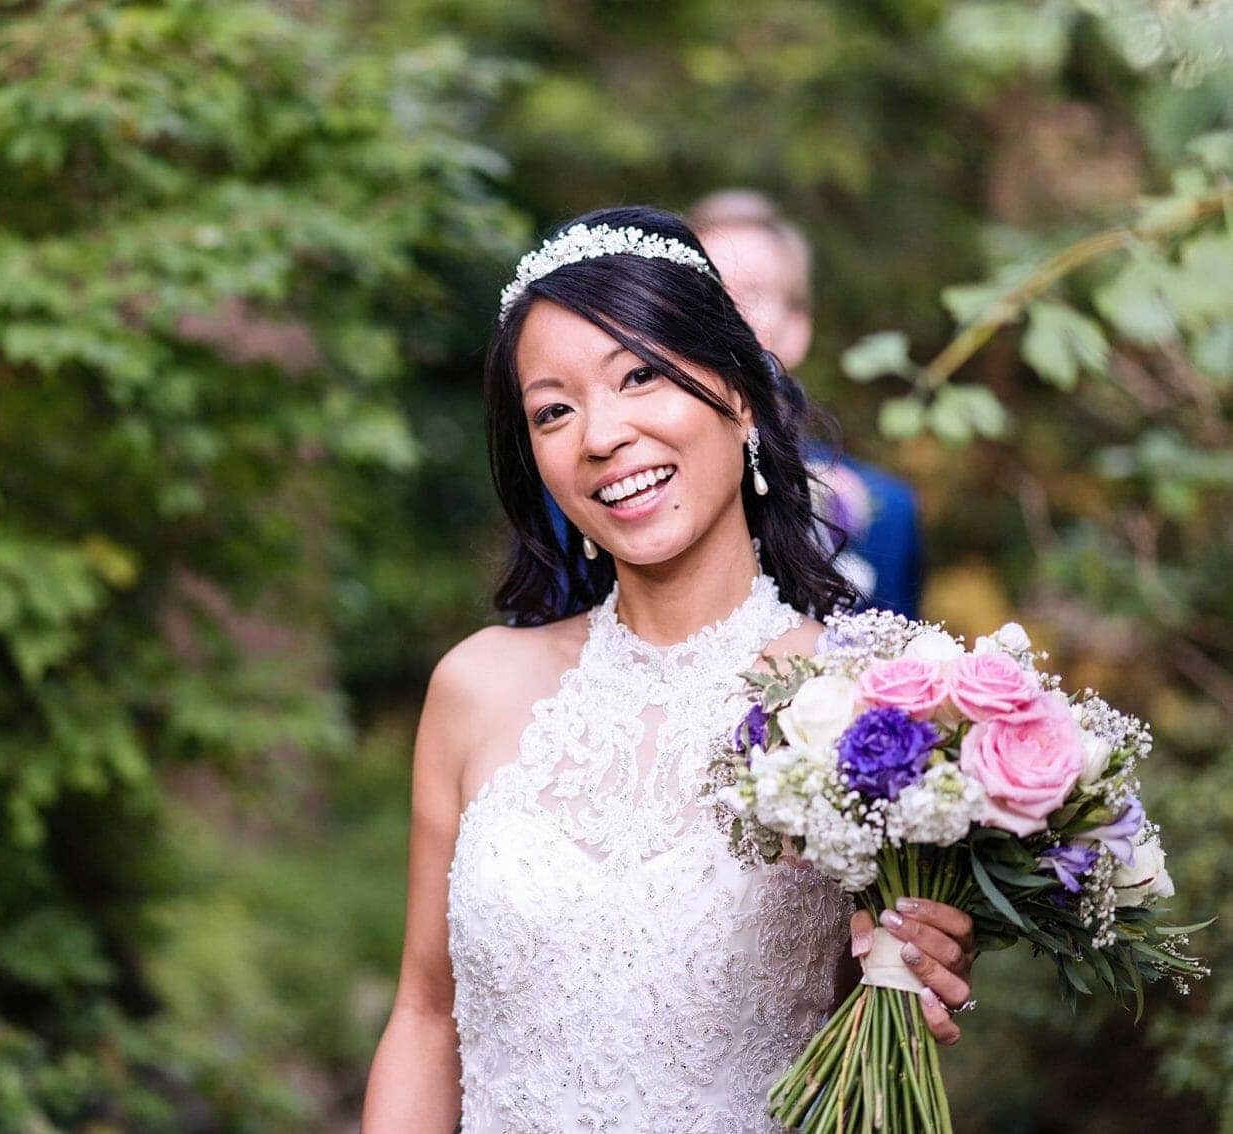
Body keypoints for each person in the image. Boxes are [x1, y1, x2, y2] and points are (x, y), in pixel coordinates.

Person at [361, 206, 976, 1132]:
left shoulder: (865, 701)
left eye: (640, 375)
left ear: (736, 390)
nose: (601, 434)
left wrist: (923, 957)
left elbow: (887, 1023)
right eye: (554, 409)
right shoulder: (476, 689)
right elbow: (424, 1013)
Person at [689, 188, 926, 618]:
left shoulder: (885, 511)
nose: (725, 310)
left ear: (797, 330)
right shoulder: (609, 484)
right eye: (705, 288)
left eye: (752, 292)